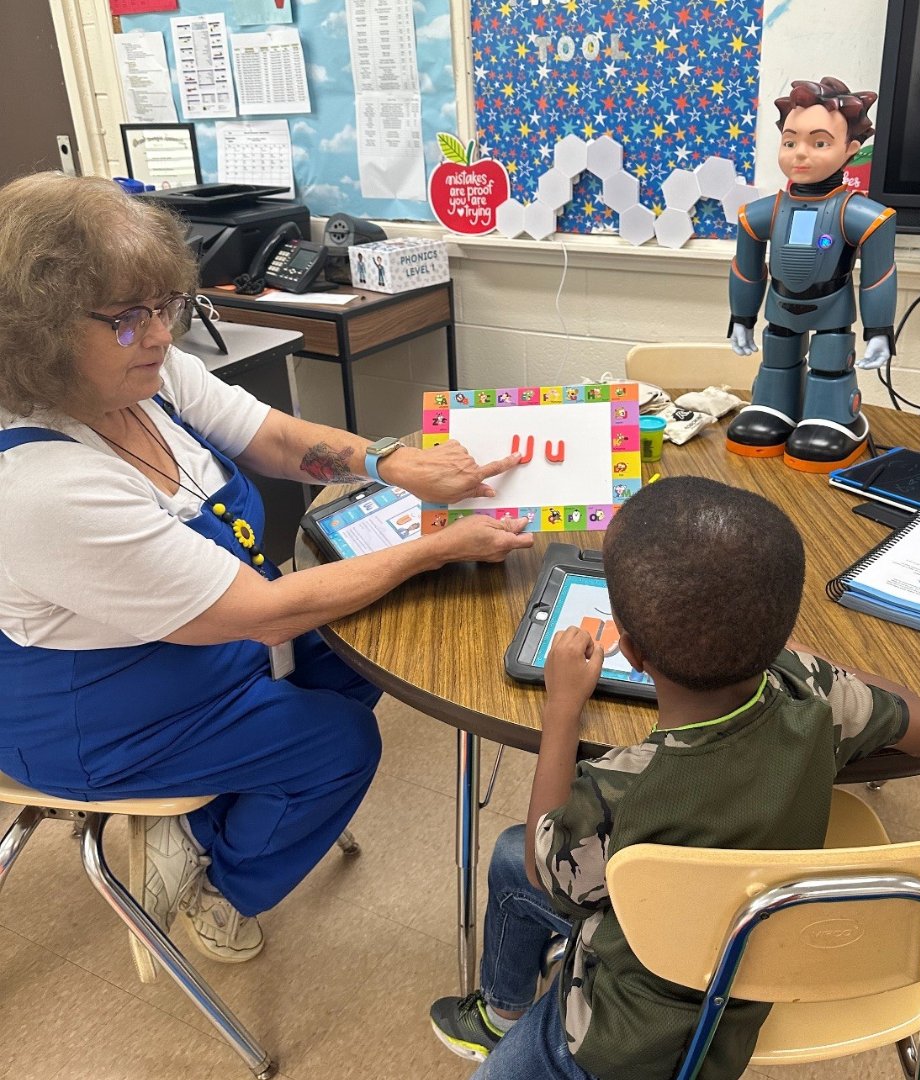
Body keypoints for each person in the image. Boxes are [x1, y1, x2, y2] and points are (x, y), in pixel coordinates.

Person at [0, 172, 533, 970]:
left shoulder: (143, 375)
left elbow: (276, 440)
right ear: (31, 332)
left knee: (380, 636)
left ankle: (226, 806)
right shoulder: (41, 487)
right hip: (96, 714)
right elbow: (271, 613)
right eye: (125, 318)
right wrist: (433, 546)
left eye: (164, 307)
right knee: (338, 742)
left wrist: (393, 463)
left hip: (209, 640)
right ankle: (219, 876)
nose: (156, 336)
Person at [429, 476, 920, 1080]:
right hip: (755, 936)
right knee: (508, 855)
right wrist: (812, 665)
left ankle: (511, 1027)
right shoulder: (820, 699)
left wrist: (562, 709)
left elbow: (550, 872)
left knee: (525, 862)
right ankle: (502, 1009)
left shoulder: (619, 789)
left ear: (632, 651)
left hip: (622, 1040)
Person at [726, 77, 898, 472]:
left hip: (832, 310)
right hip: (781, 306)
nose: (800, 154)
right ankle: (773, 408)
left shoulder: (861, 216)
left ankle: (832, 417)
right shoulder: (761, 213)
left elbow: (878, 276)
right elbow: (746, 269)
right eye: (790, 142)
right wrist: (741, 318)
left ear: (850, 150)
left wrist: (879, 331)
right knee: (778, 358)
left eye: (819, 143)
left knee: (830, 362)